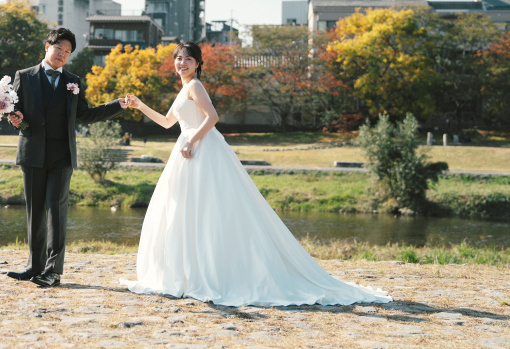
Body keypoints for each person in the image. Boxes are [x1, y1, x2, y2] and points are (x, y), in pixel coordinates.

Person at [121, 42, 391, 306]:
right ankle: (188, 271)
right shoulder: (183, 90)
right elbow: (168, 122)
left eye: (188, 59)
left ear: (198, 64)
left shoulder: (195, 85)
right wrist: (140, 105)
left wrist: (192, 141)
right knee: (186, 209)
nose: (182, 63)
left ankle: (212, 272)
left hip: (201, 150)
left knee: (208, 209)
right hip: (187, 151)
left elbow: (212, 117)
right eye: (179, 58)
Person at [6, 28, 128, 288]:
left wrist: (118, 105)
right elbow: (14, 111)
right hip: (32, 154)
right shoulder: (24, 77)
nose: (62, 54)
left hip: (62, 157)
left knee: (56, 213)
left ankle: (53, 272)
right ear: (47, 46)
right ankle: (34, 266)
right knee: (34, 212)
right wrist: (14, 118)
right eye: (59, 48)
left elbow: (85, 114)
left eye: (68, 52)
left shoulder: (73, 81)